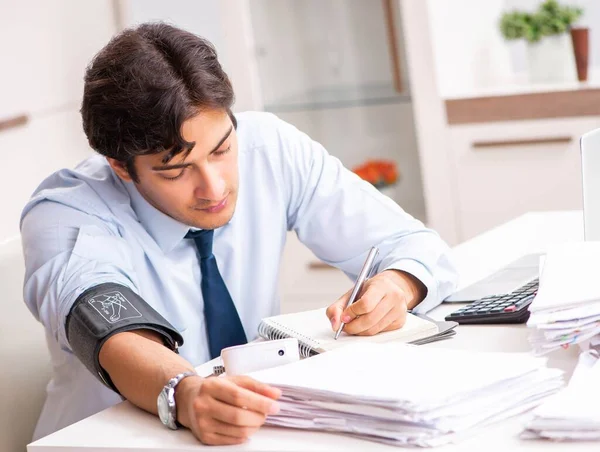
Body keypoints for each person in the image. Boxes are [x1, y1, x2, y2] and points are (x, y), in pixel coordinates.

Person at [21, 23, 458, 445]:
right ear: (121, 167)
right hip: (107, 442)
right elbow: (112, 330)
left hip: (251, 432)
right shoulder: (66, 213)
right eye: (176, 170)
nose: (214, 187)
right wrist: (186, 394)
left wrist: (398, 286)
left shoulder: (270, 148)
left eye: (222, 149)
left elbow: (413, 246)